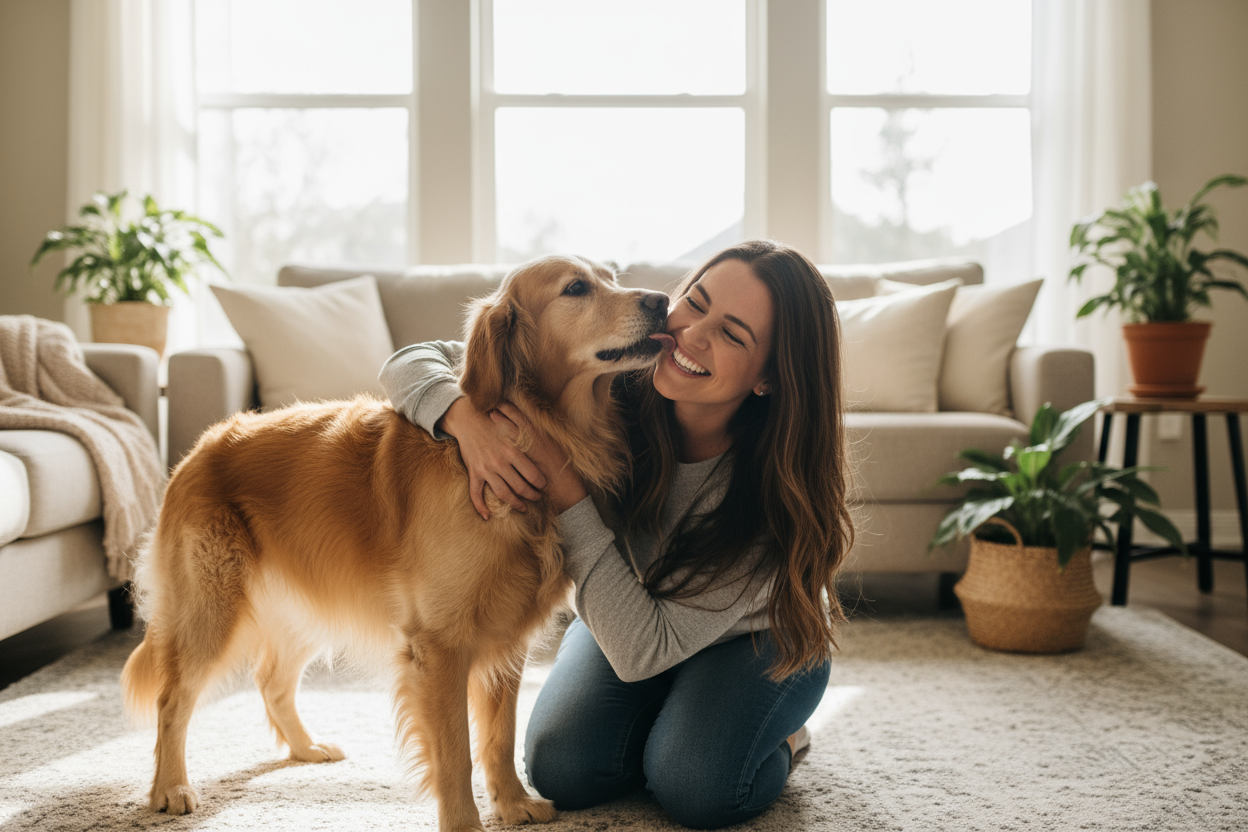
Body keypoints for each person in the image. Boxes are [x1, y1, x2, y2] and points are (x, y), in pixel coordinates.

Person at [379, 239, 853, 829]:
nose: (693, 336)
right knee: (563, 768)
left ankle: (778, 735)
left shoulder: (770, 495)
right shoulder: (623, 370)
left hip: (754, 642)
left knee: (695, 783)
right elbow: (414, 359)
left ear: (770, 377)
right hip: (631, 614)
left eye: (732, 335)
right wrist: (462, 418)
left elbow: (642, 651)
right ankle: (678, 718)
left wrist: (563, 483)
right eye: (694, 302)